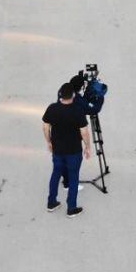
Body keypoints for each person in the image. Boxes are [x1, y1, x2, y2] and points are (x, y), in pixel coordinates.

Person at [43, 83, 92, 218]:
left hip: (57, 149)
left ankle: (51, 202)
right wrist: (88, 147)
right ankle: (71, 207)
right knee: (73, 176)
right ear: (73, 96)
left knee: (56, 173)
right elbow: (84, 132)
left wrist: (49, 142)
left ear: (60, 95)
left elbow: (45, 127)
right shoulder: (77, 111)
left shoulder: (52, 108)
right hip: (74, 151)